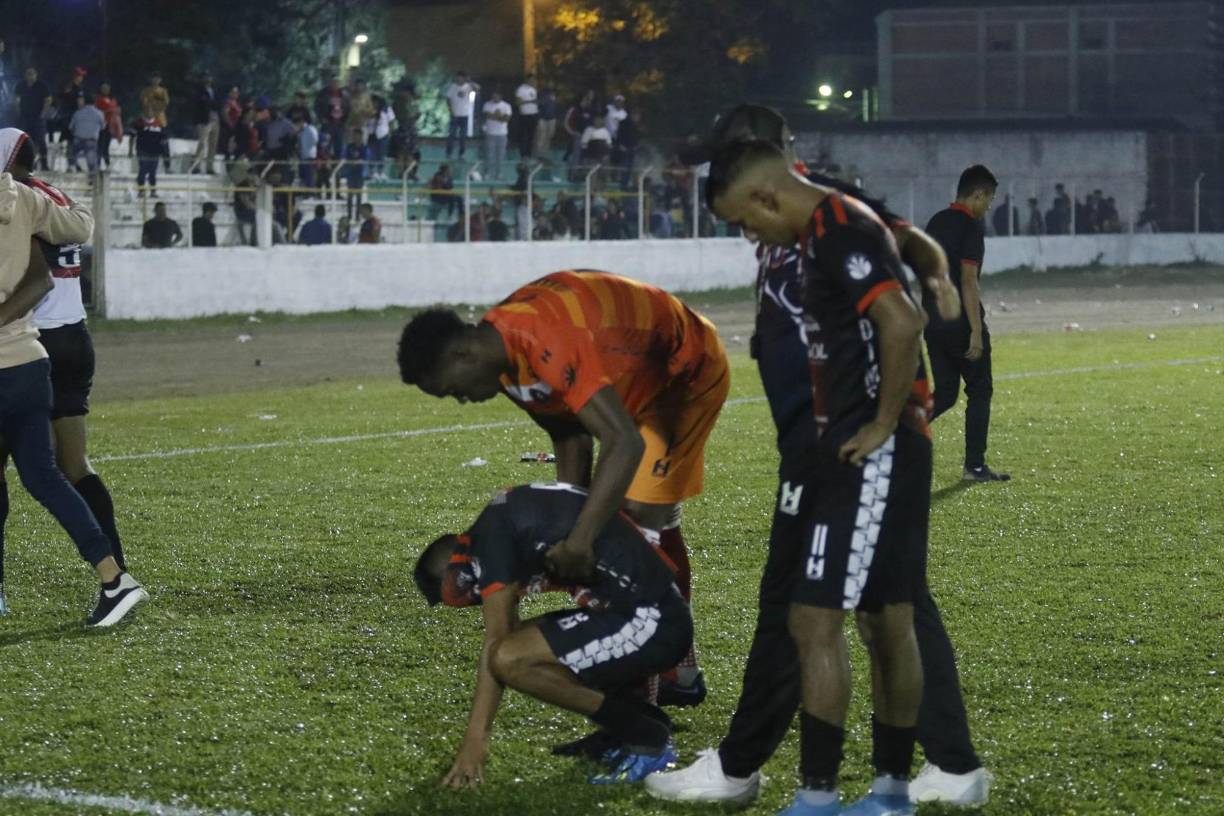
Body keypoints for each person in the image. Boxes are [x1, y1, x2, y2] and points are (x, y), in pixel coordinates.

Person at [647, 104, 989, 810]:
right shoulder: (789, 217)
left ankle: (778, 773)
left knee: (836, 606)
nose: (743, 228)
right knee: (855, 606)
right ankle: (923, 770)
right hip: (818, 432)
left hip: (851, 433)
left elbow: (901, 249)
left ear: (771, 162)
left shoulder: (827, 207)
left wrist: (938, 279)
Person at [706, 139, 934, 816]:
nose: (751, 235)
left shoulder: (837, 229)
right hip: (869, 448)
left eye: (745, 221)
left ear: (768, 196)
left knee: (812, 619)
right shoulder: (827, 230)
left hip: (867, 451)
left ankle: (818, 798)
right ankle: (889, 793)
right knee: (886, 619)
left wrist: (881, 424)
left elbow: (902, 321)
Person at [397, 270, 729, 706]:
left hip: (681, 369)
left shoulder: (540, 338)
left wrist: (581, 540)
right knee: (631, 527)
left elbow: (622, 441)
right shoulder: (506, 362)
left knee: (635, 517)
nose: (459, 399)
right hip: (635, 382)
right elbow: (571, 437)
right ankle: (680, 675)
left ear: (462, 353)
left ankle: (640, 710)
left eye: (451, 390)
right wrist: (570, 528)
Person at [414, 482, 692, 788]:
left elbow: (497, 644)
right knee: (524, 643)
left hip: (653, 621)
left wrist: (474, 740)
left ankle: (644, 735)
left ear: (457, 571)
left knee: (509, 657)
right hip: (645, 610)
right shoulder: (498, 522)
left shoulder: (489, 543)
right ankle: (638, 724)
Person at [0, 143, 148, 626]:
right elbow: (67, 243)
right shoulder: (31, 198)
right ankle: (115, 576)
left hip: (22, 356)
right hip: (37, 355)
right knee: (53, 473)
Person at [925, 165, 1010, 483]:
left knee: (945, 393)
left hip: (933, 320)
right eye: (988, 198)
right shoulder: (970, 227)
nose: (989, 205)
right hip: (961, 323)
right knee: (980, 390)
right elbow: (968, 280)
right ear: (978, 194)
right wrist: (975, 331)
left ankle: (894, 437)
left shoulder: (935, 222)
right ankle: (974, 466)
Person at [17, 68, 52, 171]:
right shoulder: (21, 85)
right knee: (24, 141)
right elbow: (17, 100)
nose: (30, 76)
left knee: (41, 141)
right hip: (25, 117)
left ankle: (44, 164)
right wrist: (20, 113)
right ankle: (26, 165)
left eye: (32, 74)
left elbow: (48, 99)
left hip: (38, 118)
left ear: (36, 75)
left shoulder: (42, 85)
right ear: (25, 75)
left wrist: (43, 113)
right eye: (28, 74)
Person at [445, 71, 479, 160]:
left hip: (464, 115)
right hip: (455, 115)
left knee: (463, 136)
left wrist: (470, 81)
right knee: (451, 135)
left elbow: (477, 88)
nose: (458, 79)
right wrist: (450, 110)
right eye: (457, 78)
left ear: (464, 78)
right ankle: (449, 153)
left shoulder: (468, 87)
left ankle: (461, 154)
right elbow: (448, 99)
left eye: (460, 78)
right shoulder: (453, 87)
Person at [67, 96, 104, 174]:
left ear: (85, 102)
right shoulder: (99, 113)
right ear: (95, 102)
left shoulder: (78, 113)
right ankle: (92, 176)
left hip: (78, 139)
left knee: (72, 154)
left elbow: (71, 127)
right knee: (91, 160)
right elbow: (102, 126)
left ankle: (71, 166)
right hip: (91, 140)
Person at [315, 75, 348, 160]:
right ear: (330, 82)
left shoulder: (344, 94)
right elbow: (317, 107)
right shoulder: (323, 93)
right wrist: (321, 119)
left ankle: (337, 170)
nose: (335, 84)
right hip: (327, 125)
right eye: (333, 82)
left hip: (340, 125)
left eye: (337, 82)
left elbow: (348, 108)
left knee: (339, 149)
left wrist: (345, 121)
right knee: (325, 148)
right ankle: (325, 170)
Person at [191, 72, 219, 174]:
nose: (208, 80)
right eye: (206, 77)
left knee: (213, 144)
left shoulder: (213, 91)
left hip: (214, 118)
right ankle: (196, 165)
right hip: (204, 119)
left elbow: (216, 103)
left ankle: (209, 167)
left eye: (209, 77)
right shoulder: (199, 91)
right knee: (202, 143)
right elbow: (201, 103)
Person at [133, 115, 168, 197]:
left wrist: (164, 152)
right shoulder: (139, 122)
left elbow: (164, 139)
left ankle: (153, 191)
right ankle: (141, 191)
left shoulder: (159, 122)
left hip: (155, 152)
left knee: (153, 172)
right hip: (143, 151)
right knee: (143, 170)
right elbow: (133, 136)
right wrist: (131, 150)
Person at [481, 90, 511, 180]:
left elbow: (506, 119)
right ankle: (487, 173)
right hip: (490, 133)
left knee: (500, 155)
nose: (494, 98)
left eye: (496, 96)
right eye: (493, 96)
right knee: (489, 155)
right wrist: (499, 116)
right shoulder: (487, 104)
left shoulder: (506, 106)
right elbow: (487, 115)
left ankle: (499, 173)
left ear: (500, 96)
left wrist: (495, 116)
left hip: (502, 134)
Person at [94, 81, 122, 169]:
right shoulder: (98, 99)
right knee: (100, 145)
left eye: (107, 88)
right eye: (103, 88)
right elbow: (97, 110)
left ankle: (107, 163)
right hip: (102, 124)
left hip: (110, 124)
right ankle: (97, 164)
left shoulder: (112, 99)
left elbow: (116, 110)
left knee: (106, 145)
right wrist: (108, 111)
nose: (105, 90)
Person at [513, 74, 538, 158]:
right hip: (525, 115)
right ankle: (523, 153)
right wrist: (530, 102)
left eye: (534, 80)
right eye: (531, 80)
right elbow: (518, 102)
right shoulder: (521, 89)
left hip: (533, 114)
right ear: (527, 80)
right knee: (524, 135)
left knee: (532, 135)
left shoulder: (533, 89)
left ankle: (529, 153)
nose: (533, 82)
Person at [535, 85, 557, 158]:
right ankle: (539, 154)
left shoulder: (553, 96)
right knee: (541, 137)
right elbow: (539, 104)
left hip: (552, 119)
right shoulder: (542, 96)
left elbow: (554, 107)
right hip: (543, 119)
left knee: (549, 136)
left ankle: (545, 154)